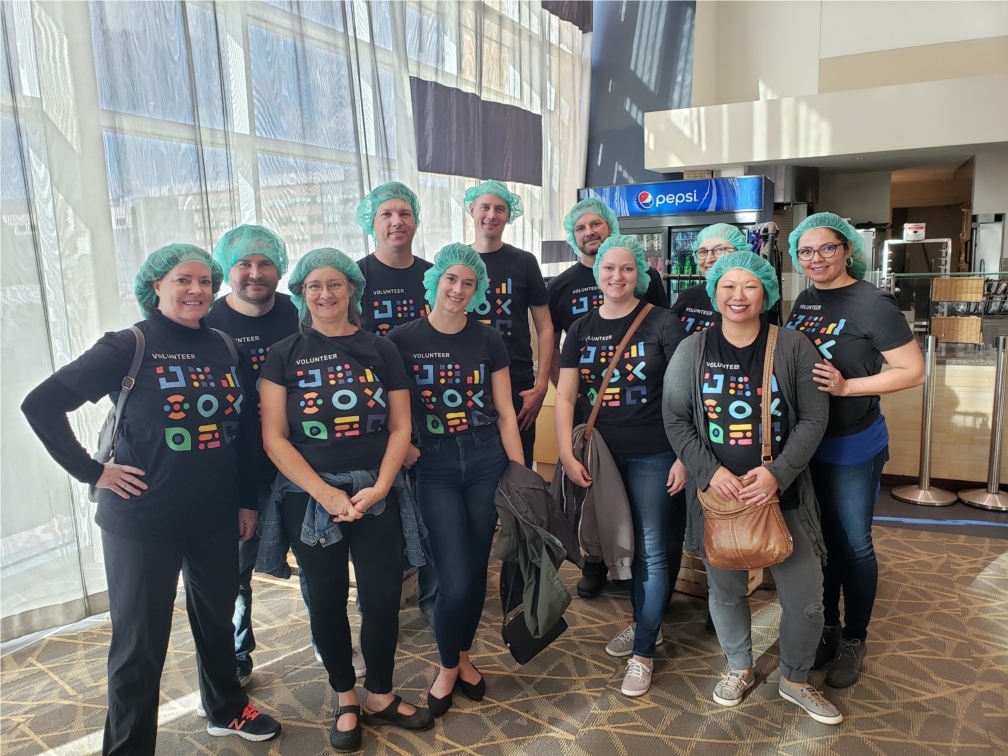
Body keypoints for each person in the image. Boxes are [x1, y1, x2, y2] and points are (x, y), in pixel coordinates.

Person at [21, 244, 282, 753]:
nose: (197, 290)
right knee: (140, 645)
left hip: (213, 514)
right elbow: (43, 403)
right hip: (142, 519)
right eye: (184, 280)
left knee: (216, 621)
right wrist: (92, 472)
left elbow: (243, 433)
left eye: (206, 281)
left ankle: (226, 708)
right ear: (156, 286)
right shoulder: (129, 345)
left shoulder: (224, 347)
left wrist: (246, 501)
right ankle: (128, 747)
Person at [259, 248, 433, 751]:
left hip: (378, 489)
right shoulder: (283, 353)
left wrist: (379, 486)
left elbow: (401, 426)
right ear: (301, 294)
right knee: (327, 600)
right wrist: (326, 492)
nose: (326, 294)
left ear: (352, 289)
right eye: (314, 286)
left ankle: (379, 692)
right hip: (309, 496)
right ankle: (345, 695)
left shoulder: (381, 349)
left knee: (381, 598)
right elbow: (275, 437)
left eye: (335, 284)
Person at [663, 251, 843, 725]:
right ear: (714, 291)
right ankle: (739, 668)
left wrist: (777, 474)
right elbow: (676, 419)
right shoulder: (692, 350)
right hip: (718, 497)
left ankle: (795, 678)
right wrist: (709, 471)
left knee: (806, 599)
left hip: (783, 496)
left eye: (749, 287)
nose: (737, 296)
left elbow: (813, 417)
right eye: (728, 286)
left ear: (767, 292)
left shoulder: (793, 346)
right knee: (724, 593)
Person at [786, 212, 924, 688]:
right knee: (819, 543)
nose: (817, 258)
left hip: (852, 443)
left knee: (853, 545)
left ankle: (854, 637)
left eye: (827, 248)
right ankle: (827, 625)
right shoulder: (804, 299)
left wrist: (848, 387)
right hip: (808, 442)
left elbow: (913, 370)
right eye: (806, 251)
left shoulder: (873, 304)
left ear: (847, 250)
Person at [387, 244, 525, 717]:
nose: (459, 290)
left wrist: (519, 471)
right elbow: (388, 406)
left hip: (485, 457)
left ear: (478, 289)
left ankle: (462, 656)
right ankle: (449, 664)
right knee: (454, 578)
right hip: (435, 466)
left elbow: (506, 411)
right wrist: (401, 445)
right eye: (451, 280)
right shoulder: (401, 340)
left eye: (469, 283)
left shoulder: (488, 339)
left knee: (477, 566)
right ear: (434, 283)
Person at [554, 234, 687, 698]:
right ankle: (644, 623)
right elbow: (566, 395)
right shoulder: (581, 327)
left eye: (627, 269)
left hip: (655, 453)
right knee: (620, 546)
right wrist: (566, 453)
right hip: (602, 456)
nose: (617, 277)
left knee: (650, 548)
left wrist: (684, 457)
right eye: (609, 268)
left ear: (641, 275)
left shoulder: (663, 323)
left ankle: (644, 651)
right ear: (597, 275)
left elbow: (685, 396)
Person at [205, 224, 326, 690]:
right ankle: (236, 655)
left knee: (317, 560)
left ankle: (327, 641)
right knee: (234, 572)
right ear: (227, 270)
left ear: (279, 267)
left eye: (266, 264)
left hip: (300, 462)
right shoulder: (208, 322)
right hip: (235, 471)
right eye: (244, 265)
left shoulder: (299, 314)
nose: (256, 274)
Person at [547, 198, 670, 599]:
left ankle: (644, 593)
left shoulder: (656, 311)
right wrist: (566, 440)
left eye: (596, 224)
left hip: (646, 425)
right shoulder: (562, 288)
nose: (589, 232)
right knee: (596, 505)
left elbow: (667, 361)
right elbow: (558, 352)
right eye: (580, 227)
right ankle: (597, 565)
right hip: (593, 417)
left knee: (641, 515)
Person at [355, 182, 438, 631]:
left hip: (434, 415)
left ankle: (432, 601)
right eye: (386, 214)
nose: (396, 222)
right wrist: (394, 435)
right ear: (371, 222)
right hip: (377, 421)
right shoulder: (354, 279)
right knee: (381, 524)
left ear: (416, 220)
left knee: (431, 517)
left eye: (404, 213)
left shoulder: (433, 275)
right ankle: (378, 611)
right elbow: (348, 356)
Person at [465, 179, 552, 468]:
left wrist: (541, 387)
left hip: (518, 382)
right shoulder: (457, 261)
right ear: (472, 209)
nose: (492, 214)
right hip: (468, 382)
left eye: (500, 209)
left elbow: (545, 327)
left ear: (508, 215)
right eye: (485, 207)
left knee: (520, 474)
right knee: (477, 471)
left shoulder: (524, 262)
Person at [671, 222, 751, 334]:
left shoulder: (750, 298)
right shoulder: (688, 297)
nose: (709, 259)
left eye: (719, 249)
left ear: (739, 254)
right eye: (703, 252)